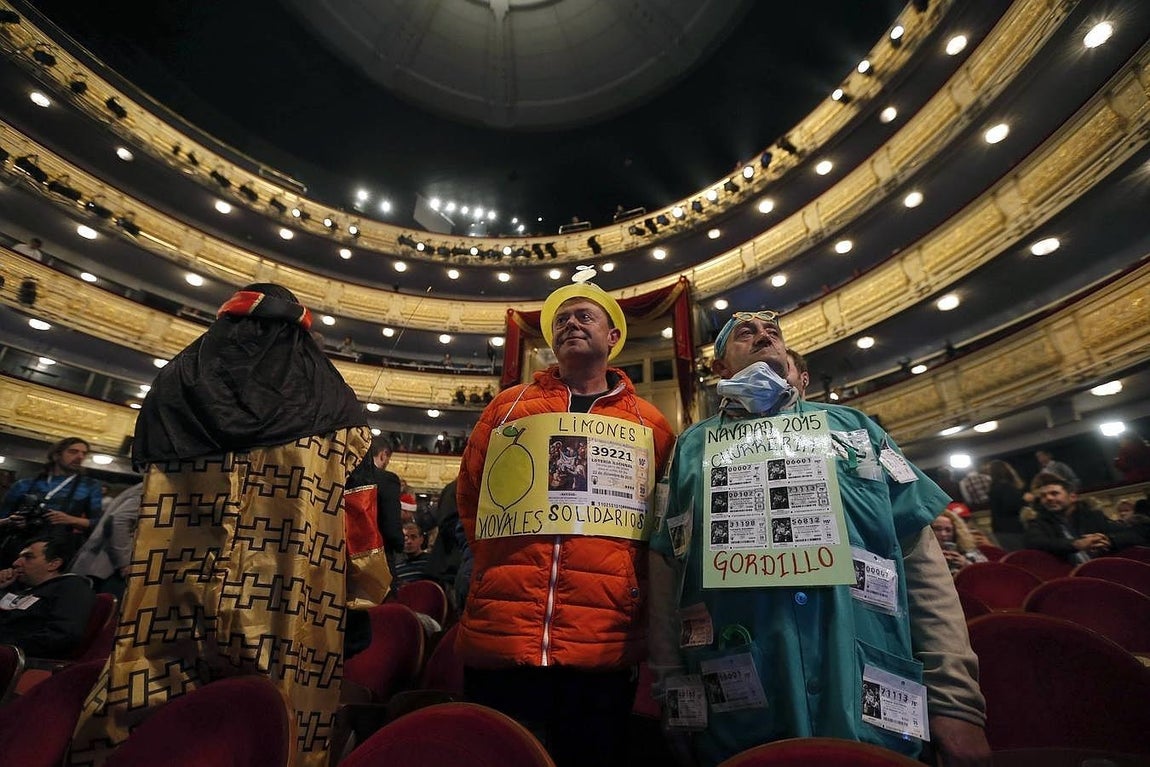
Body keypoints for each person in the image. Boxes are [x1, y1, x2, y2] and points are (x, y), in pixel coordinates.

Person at [649, 309, 988, 767]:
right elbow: (669, 572)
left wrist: (955, 702)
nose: (764, 335)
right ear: (719, 368)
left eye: (773, 331)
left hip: (869, 696)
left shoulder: (857, 430)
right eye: (746, 332)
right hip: (742, 707)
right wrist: (676, 697)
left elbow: (923, 566)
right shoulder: (690, 449)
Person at [69, 284, 370, 767]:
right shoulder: (334, 405)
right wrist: (359, 602)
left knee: (154, 729)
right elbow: (360, 530)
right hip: (285, 608)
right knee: (272, 725)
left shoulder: (176, 385)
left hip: (169, 601)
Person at [456, 281, 675, 767]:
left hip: (602, 636)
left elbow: (660, 520)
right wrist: (497, 567)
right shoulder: (507, 406)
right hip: (504, 628)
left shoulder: (652, 424)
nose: (571, 324)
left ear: (613, 335)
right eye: (561, 320)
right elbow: (472, 496)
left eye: (584, 317)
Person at [0, 437, 103, 563]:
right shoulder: (26, 483)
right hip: (17, 546)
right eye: (73, 452)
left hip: (54, 551)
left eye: (84, 453)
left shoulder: (89, 486)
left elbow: (98, 523)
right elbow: (2, 517)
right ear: (56, 455)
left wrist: (70, 519)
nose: (80, 456)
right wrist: (11, 521)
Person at [0, 534, 95, 657]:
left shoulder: (71, 587)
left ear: (53, 564)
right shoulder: (19, 589)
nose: (16, 563)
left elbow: (62, 636)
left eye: (28, 557)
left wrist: (7, 649)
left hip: (24, 660)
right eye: (19, 557)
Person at [1024, 472, 1142, 563]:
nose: (1048, 498)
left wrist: (1109, 540)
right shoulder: (1038, 523)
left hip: (1105, 570)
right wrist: (1076, 544)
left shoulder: (1092, 516)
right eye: (1043, 496)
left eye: (1054, 494)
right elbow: (1036, 543)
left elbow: (1135, 535)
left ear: (1072, 497)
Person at [70, 482, 143, 600]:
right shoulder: (154, 486)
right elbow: (118, 520)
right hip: (108, 570)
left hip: (102, 566)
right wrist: (125, 563)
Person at [347, 436, 405, 567]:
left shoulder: (347, 475)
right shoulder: (387, 479)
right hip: (376, 553)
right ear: (383, 455)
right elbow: (390, 521)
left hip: (346, 549)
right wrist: (398, 545)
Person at [986, 460, 1030, 552]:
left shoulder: (993, 488)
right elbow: (1010, 507)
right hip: (1012, 529)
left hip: (999, 528)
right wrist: (1024, 500)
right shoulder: (1006, 487)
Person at [931, 509, 988, 574]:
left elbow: (987, 572)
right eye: (937, 529)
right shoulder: (921, 554)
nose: (943, 534)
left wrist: (966, 564)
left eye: (948, 530)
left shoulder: (969, 552)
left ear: (955, 532)